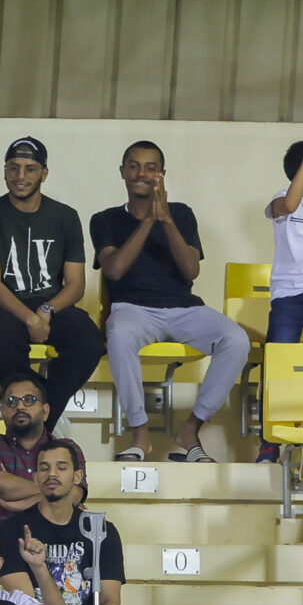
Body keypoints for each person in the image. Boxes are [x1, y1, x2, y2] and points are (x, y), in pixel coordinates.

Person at [93, 140, 249, 463]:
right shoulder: (104, 219)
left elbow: (191, 270)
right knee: (119, 333)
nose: (141, 173)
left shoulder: (181, 214)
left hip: (185, 309)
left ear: (161, 175)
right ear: (122, 171)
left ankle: (190, 430)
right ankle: (140, 434)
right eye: (134, 166)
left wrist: (165, 219)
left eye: (150, 168)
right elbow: (115, 269)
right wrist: (149, 220)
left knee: (236, 339)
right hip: (133, 309)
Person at [0, 135, 104, 415]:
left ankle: (44, 416)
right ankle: (33, 411)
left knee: (89, 340)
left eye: (30, 169)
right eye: (13, 168)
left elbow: (75, 285)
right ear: (5, 171)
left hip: (49, 305)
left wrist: (45, 310)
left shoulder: (65, 216)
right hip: (1, 306)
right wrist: (30, 318)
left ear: (44, 173)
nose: (20, 176)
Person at [0, 434, 122, 605]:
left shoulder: (102, 530)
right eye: (44, 468)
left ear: (77, 476)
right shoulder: (11, 530)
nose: (52, 474)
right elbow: (27, 604)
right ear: (35, 477)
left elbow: (110, 598)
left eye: (61, 467)